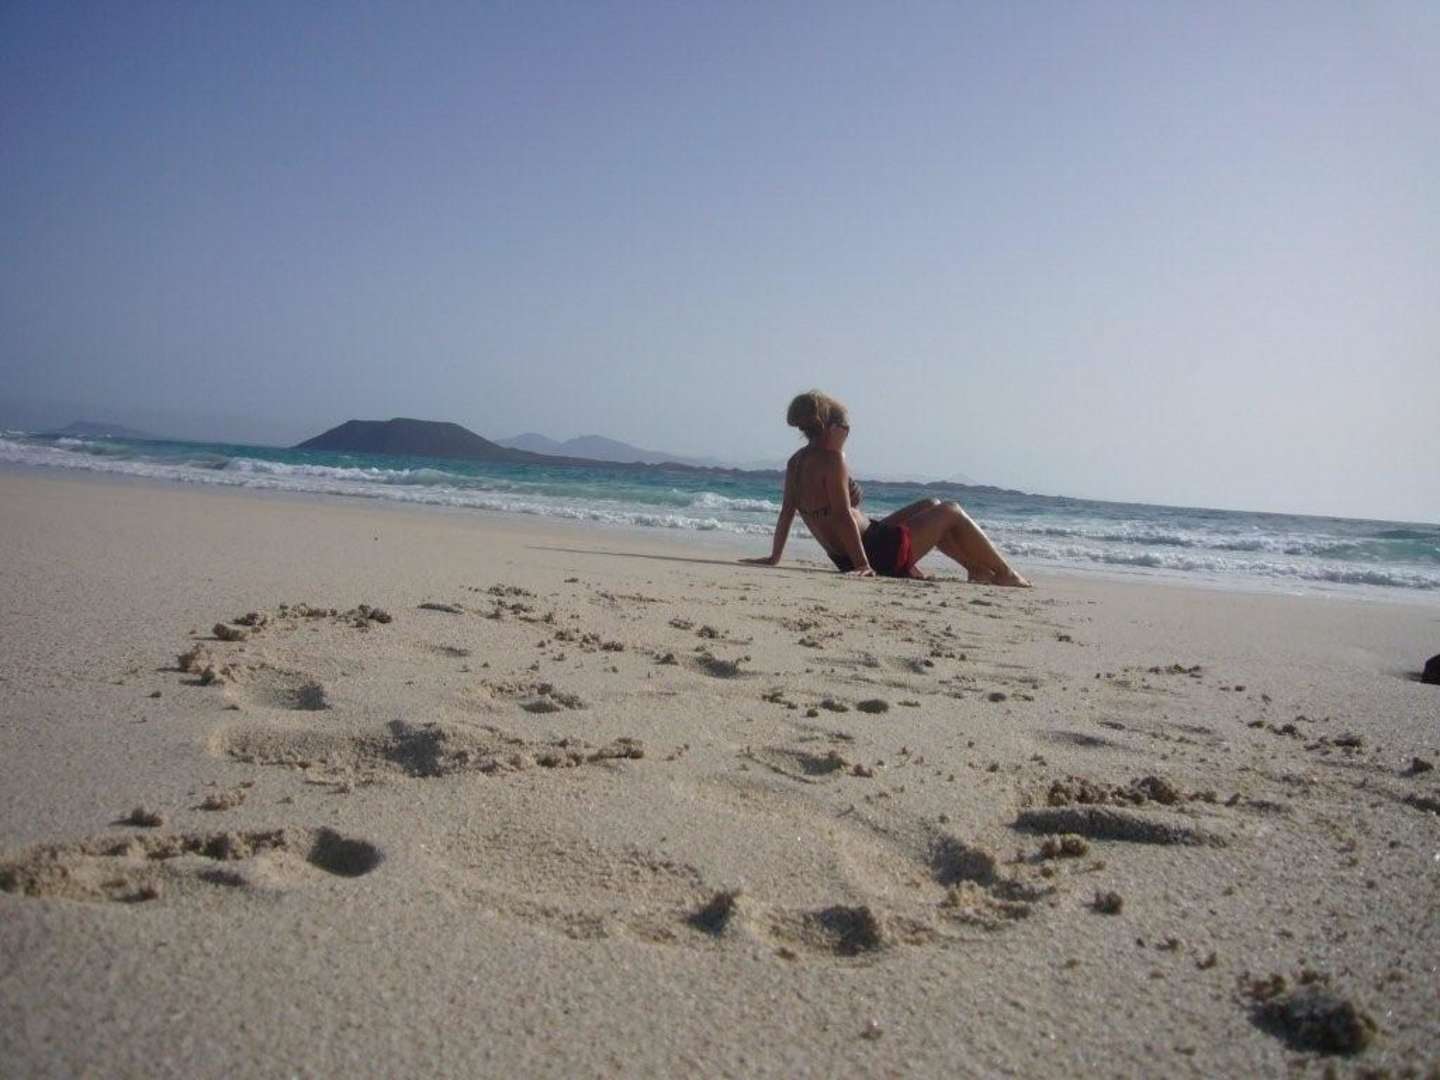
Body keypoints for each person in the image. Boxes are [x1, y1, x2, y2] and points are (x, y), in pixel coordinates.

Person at [741, 390, 1030, 585]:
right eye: (844, 427)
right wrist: (863, 565)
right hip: (878, 554)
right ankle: (1005, 573)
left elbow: (787, 513)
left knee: (931, 504)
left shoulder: (796, 462)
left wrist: (775, 557)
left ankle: (975, 569)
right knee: (951, 510)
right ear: (832, 426)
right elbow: (841, 516)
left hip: (855, 550)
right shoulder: (833, 459)